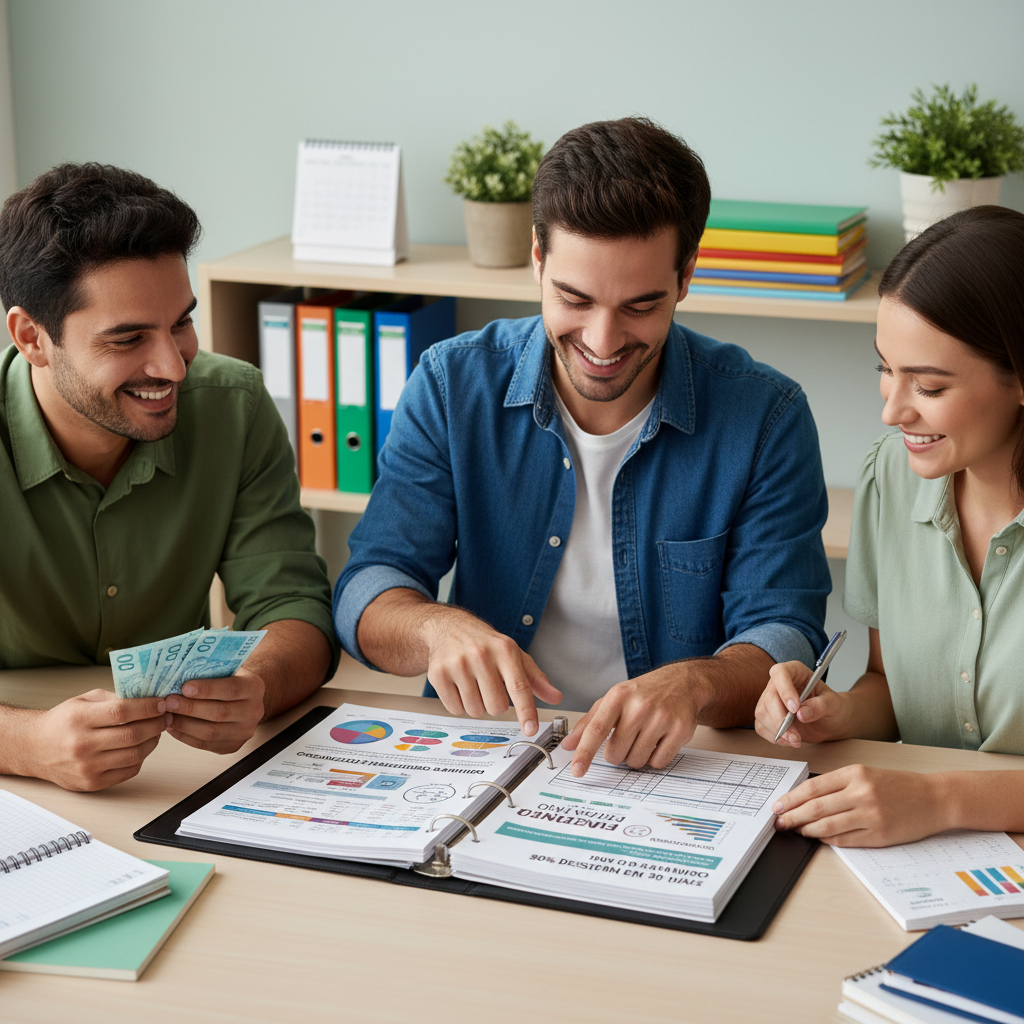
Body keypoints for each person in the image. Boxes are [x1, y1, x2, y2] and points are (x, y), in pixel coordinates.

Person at [334, 117, 830, 775]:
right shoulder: (452, 383)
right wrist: (433, 629)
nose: (602, 341)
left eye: (640, 307)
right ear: (538, 260)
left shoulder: (767, 416)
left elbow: (785, 631)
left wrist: (696, 683)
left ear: (686, 277)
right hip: (489, 752)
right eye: (574, 298)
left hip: (680, 766)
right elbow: (368, 587)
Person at [0, 163, 339, 792]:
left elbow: (293, 608)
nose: (172, 367)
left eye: (180, 322)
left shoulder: (233, 406)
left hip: (168, 776)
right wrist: (23, 744)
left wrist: (256, 687)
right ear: (33, 337)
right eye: (128, 338)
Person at [756, 205, 1024, 847]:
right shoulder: (892, 478)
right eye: (885, 368)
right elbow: (888, 687)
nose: (891, 410)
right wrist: (835, 712)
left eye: (928, 386)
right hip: (924, 855)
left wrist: (939, 796)